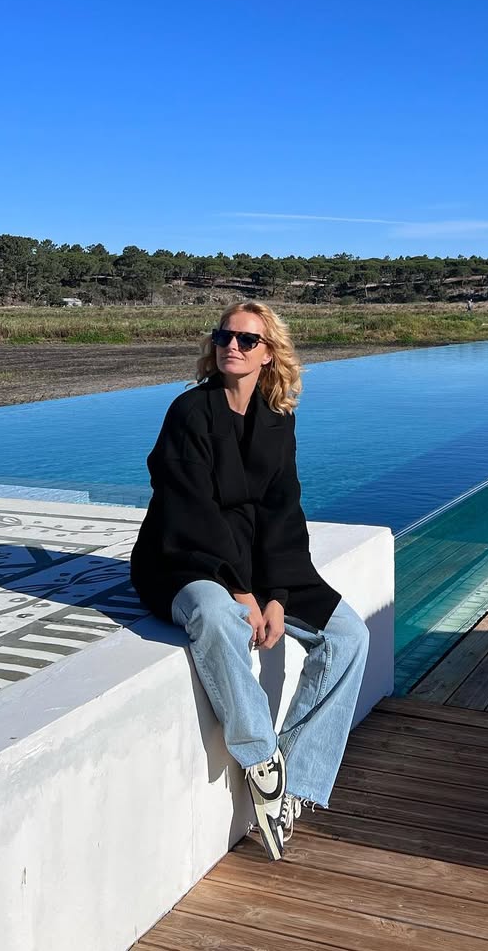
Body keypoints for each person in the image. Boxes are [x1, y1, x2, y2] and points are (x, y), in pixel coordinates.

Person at [130, 300, 370, 861]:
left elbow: (283, 510)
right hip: (185, 557)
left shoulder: (278, 418)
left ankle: (296, 774)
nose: (231, 346)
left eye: (246, 340)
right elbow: (187, 507)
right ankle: (261, 760)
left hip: (264, 563)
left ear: (269, 353)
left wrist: (279, 595)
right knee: (217, 617)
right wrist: (241, 590)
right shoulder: (190, 411)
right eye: (224, 337)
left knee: (349, 637)